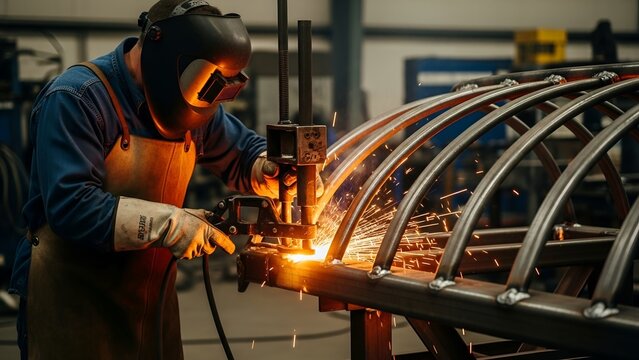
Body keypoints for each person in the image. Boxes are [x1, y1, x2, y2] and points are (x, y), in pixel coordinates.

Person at [9, 0, 312, 358]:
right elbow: (71, 207)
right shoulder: (77, 98)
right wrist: (168, 223)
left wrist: (268, 169)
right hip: (73, 302)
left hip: (150, 303)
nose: (203, 107)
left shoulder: (196, 105)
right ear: (163, 53)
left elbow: (242, 151)